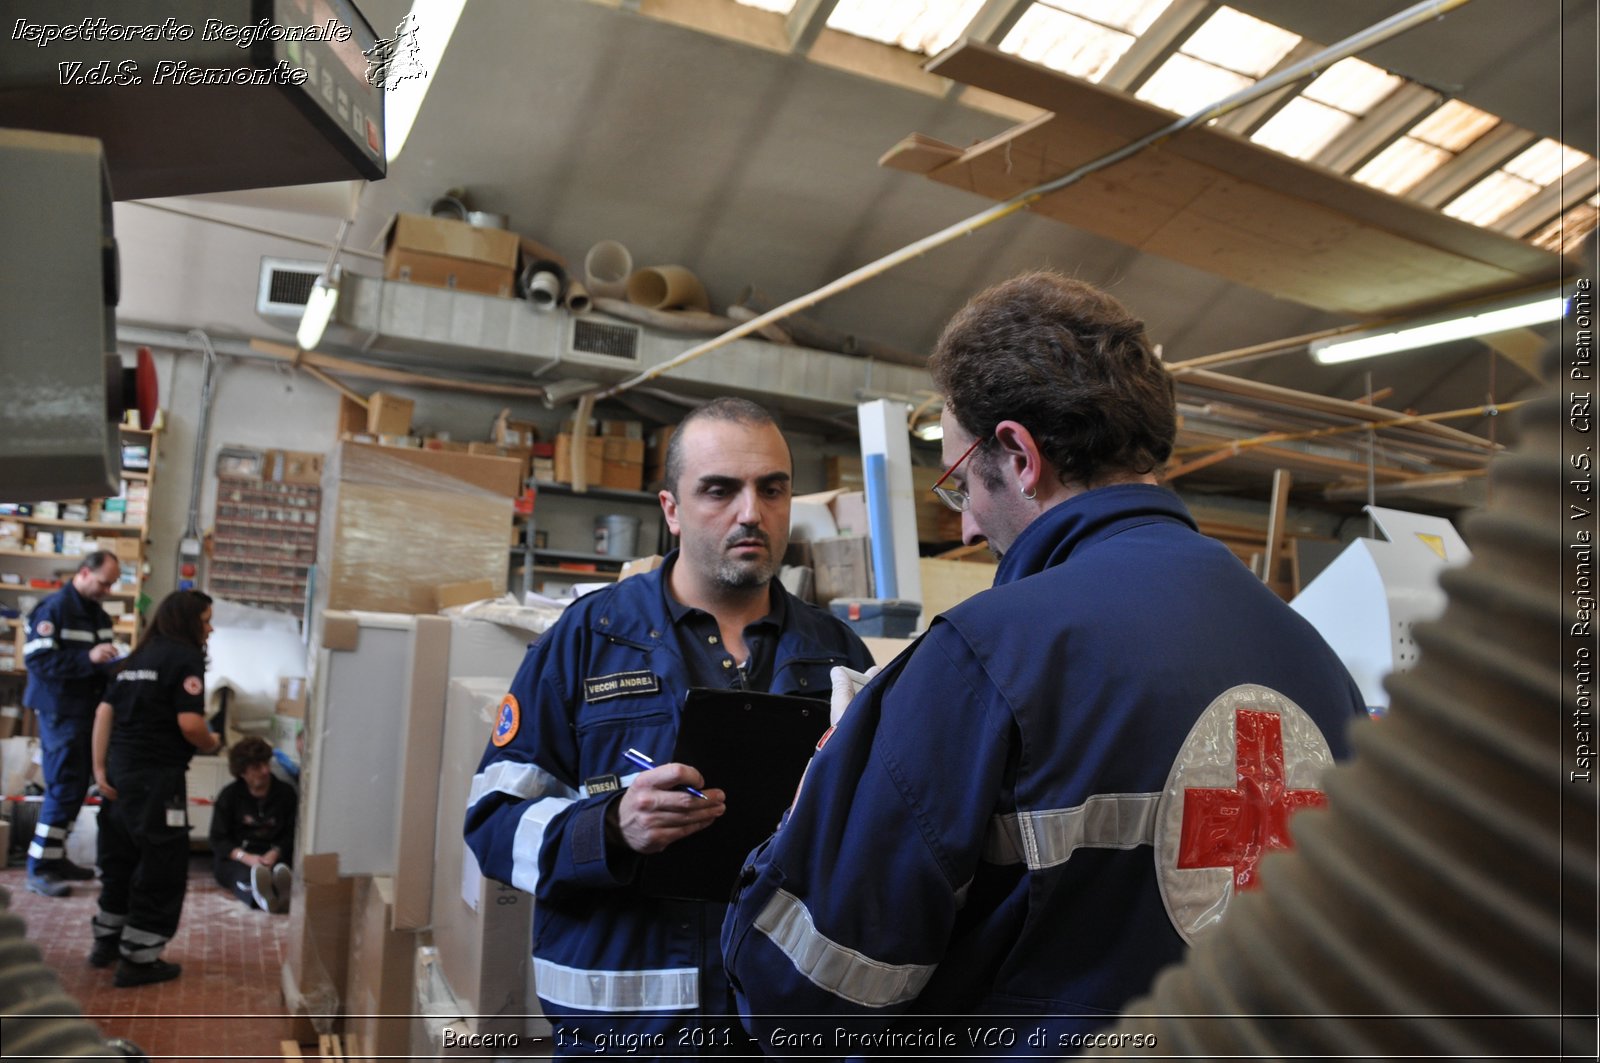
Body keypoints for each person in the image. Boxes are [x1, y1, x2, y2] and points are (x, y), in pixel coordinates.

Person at [722, 272, 1368, 1047]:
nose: (965, 529)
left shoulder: (986, 656)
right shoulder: (1319, 663)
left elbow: (808, 991)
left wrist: (807, 810)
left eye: (961, 483)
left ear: (1020, 456)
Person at [464, 397, 875, 1056]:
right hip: (624, 1037)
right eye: (720, 490)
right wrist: (610, 828)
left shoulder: (839, 658)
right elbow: (491, 822)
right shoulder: (586, 640)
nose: (751, 512)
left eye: (772, 489)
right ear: (671, 509)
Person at [90, 590, 222, 988]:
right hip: (157, 779)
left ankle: (107, 942)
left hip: (118, 774)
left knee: (119, 860)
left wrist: (99, 768)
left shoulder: (133, 659)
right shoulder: (185, 658)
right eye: (205, 620)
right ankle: (140, 958)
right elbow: (190, 725)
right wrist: (213, 742)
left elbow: (103, 713)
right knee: (161, 864)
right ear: (187, 622)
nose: (210, 628)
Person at [21, 550, 122, 897]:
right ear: (83, 573)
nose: (107, 590)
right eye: (103, 583)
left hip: (84, 711)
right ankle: (39, 868)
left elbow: (99, 664)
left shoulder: (99, 616)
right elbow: (37, 660)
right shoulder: (53, 609)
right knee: (64, 785)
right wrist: (88, 658)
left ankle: (55, 857)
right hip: (59, 710)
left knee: (76, 787)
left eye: (111, 585)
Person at [209, 736, 297, 914]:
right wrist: (247, 858)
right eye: (257, 767)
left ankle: (281, 893)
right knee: (242, 877)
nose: (265, 771)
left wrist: (275, 852)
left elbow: (292, 833)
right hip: (240, 856)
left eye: (266, 764)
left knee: (282, 870)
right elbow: (218, 839)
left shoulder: (286, 794)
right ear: (242, 772)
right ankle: (262, 899)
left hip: (273, 854)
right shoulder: (229, 796)